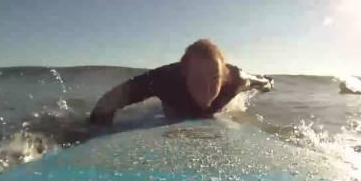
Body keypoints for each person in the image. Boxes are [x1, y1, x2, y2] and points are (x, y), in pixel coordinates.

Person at [89, 39, 273, 126]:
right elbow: (110, 101)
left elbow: (263, 82)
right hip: (174, 109)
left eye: (215, 79)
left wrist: (268, 85)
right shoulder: (165, 80)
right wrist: (94, 130)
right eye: (198, 79)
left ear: (224, 77)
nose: (207, 89)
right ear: (184, 75)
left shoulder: (236, 80)